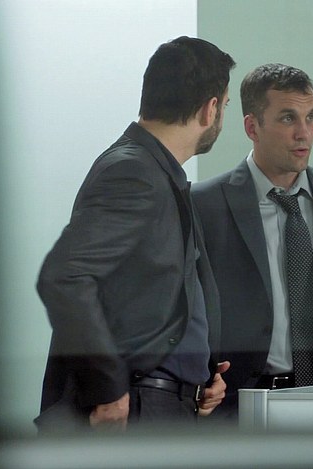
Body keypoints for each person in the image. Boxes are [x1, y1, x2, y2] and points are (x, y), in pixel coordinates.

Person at [35, 36, 235, 432]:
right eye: (225, 106)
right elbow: (65, 276)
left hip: (165, 406)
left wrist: (201, 376)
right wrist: (107, 388)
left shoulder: (155, 172)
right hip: (138, 410)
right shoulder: (135, 173)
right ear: (210, 109)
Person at [191, 63, 313, 418]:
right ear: (252, 127)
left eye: (311, 118)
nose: (303, 133)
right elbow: (194, 310)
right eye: (287, 118)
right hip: (237, 403)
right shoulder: (204, 204)